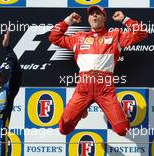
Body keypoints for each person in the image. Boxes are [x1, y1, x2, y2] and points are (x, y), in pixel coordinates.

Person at [49, 5, 148, 136]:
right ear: (88, 19)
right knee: (64, 128)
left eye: (98, 13)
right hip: (83, 88)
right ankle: (82, 109)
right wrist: (68, 21)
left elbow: (141, 33)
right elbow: (54, 37)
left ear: (104, 18)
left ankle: (91, 109)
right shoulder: (78, 37)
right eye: (92, 14)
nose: (94, 15)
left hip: (105, 89)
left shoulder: (115, 36)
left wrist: (124, 19)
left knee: (122, 130)